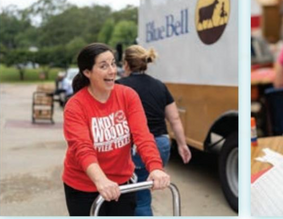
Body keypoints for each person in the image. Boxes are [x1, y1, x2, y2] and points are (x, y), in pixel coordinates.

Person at [62, 43, 171, 216]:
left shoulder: (128, 95)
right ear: (87, 72)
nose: (112, 70)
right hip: (83, 187)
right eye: (103, 66)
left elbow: (142, 135)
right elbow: (82, 148)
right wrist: (101, 180)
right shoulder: (75, 105)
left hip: (122, 182)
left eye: (113, 63)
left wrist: (155, 167)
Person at [116, 45, 191, 216]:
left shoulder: (119, 86)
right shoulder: (159, 86)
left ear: (126, 64)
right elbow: (174, 119)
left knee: (131, 198)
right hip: (161, 145)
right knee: (143, 192)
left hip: (135, 146)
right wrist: (182, 145)